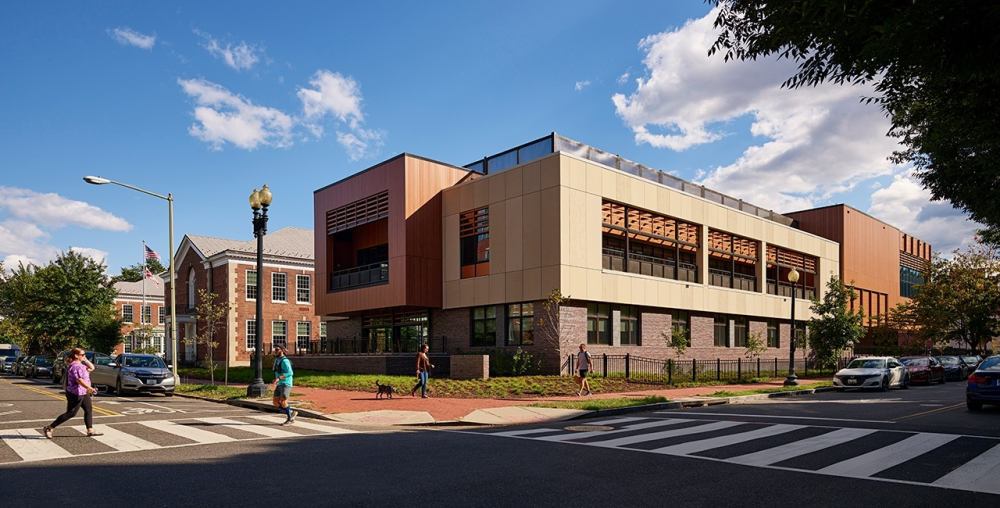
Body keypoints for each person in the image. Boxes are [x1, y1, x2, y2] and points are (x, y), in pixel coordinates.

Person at [43, 348, 102, 438]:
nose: (84, 356)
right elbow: (79, 380)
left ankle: (90, 430)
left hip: (83, 392)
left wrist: (85, 360)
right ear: (76, 356)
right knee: (71, 413)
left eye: (84, 355)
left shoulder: (81, 365)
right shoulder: (75, 366)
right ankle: (49, 428)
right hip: (75, 393)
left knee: (88, 410)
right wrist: (90, 388)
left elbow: (92, 368)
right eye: (82, 355)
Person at [271, 346, 297, 425]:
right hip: (280, 384)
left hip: (286, 384)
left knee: (283, 401)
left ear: (282, 350)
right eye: (275, 349)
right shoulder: (276, 360)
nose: (275, 351)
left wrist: (279, 378)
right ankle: (290, 411)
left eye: (277, 350)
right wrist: (276, 379)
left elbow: (290, 373)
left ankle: (290, 419)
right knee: (275, 402)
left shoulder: (285, 361)